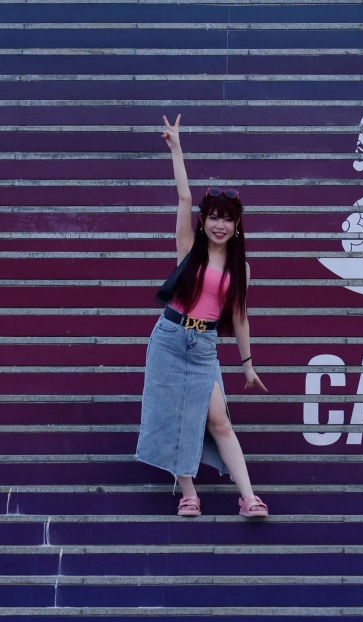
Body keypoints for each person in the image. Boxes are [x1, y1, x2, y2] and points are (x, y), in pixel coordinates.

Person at [135, 114, 269, 518]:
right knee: (173, 418)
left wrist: (247, 366)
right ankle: (188, 494)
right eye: (214, 216)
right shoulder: (188, 248)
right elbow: (183, 198)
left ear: (236, 224)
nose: (219, 224)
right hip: (170, 338)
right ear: (204, 219)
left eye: (227, 218)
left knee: (219, 421)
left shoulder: (241, 269)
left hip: (204, 346)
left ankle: (248, 498)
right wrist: (176, 149)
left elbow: (240, 318)